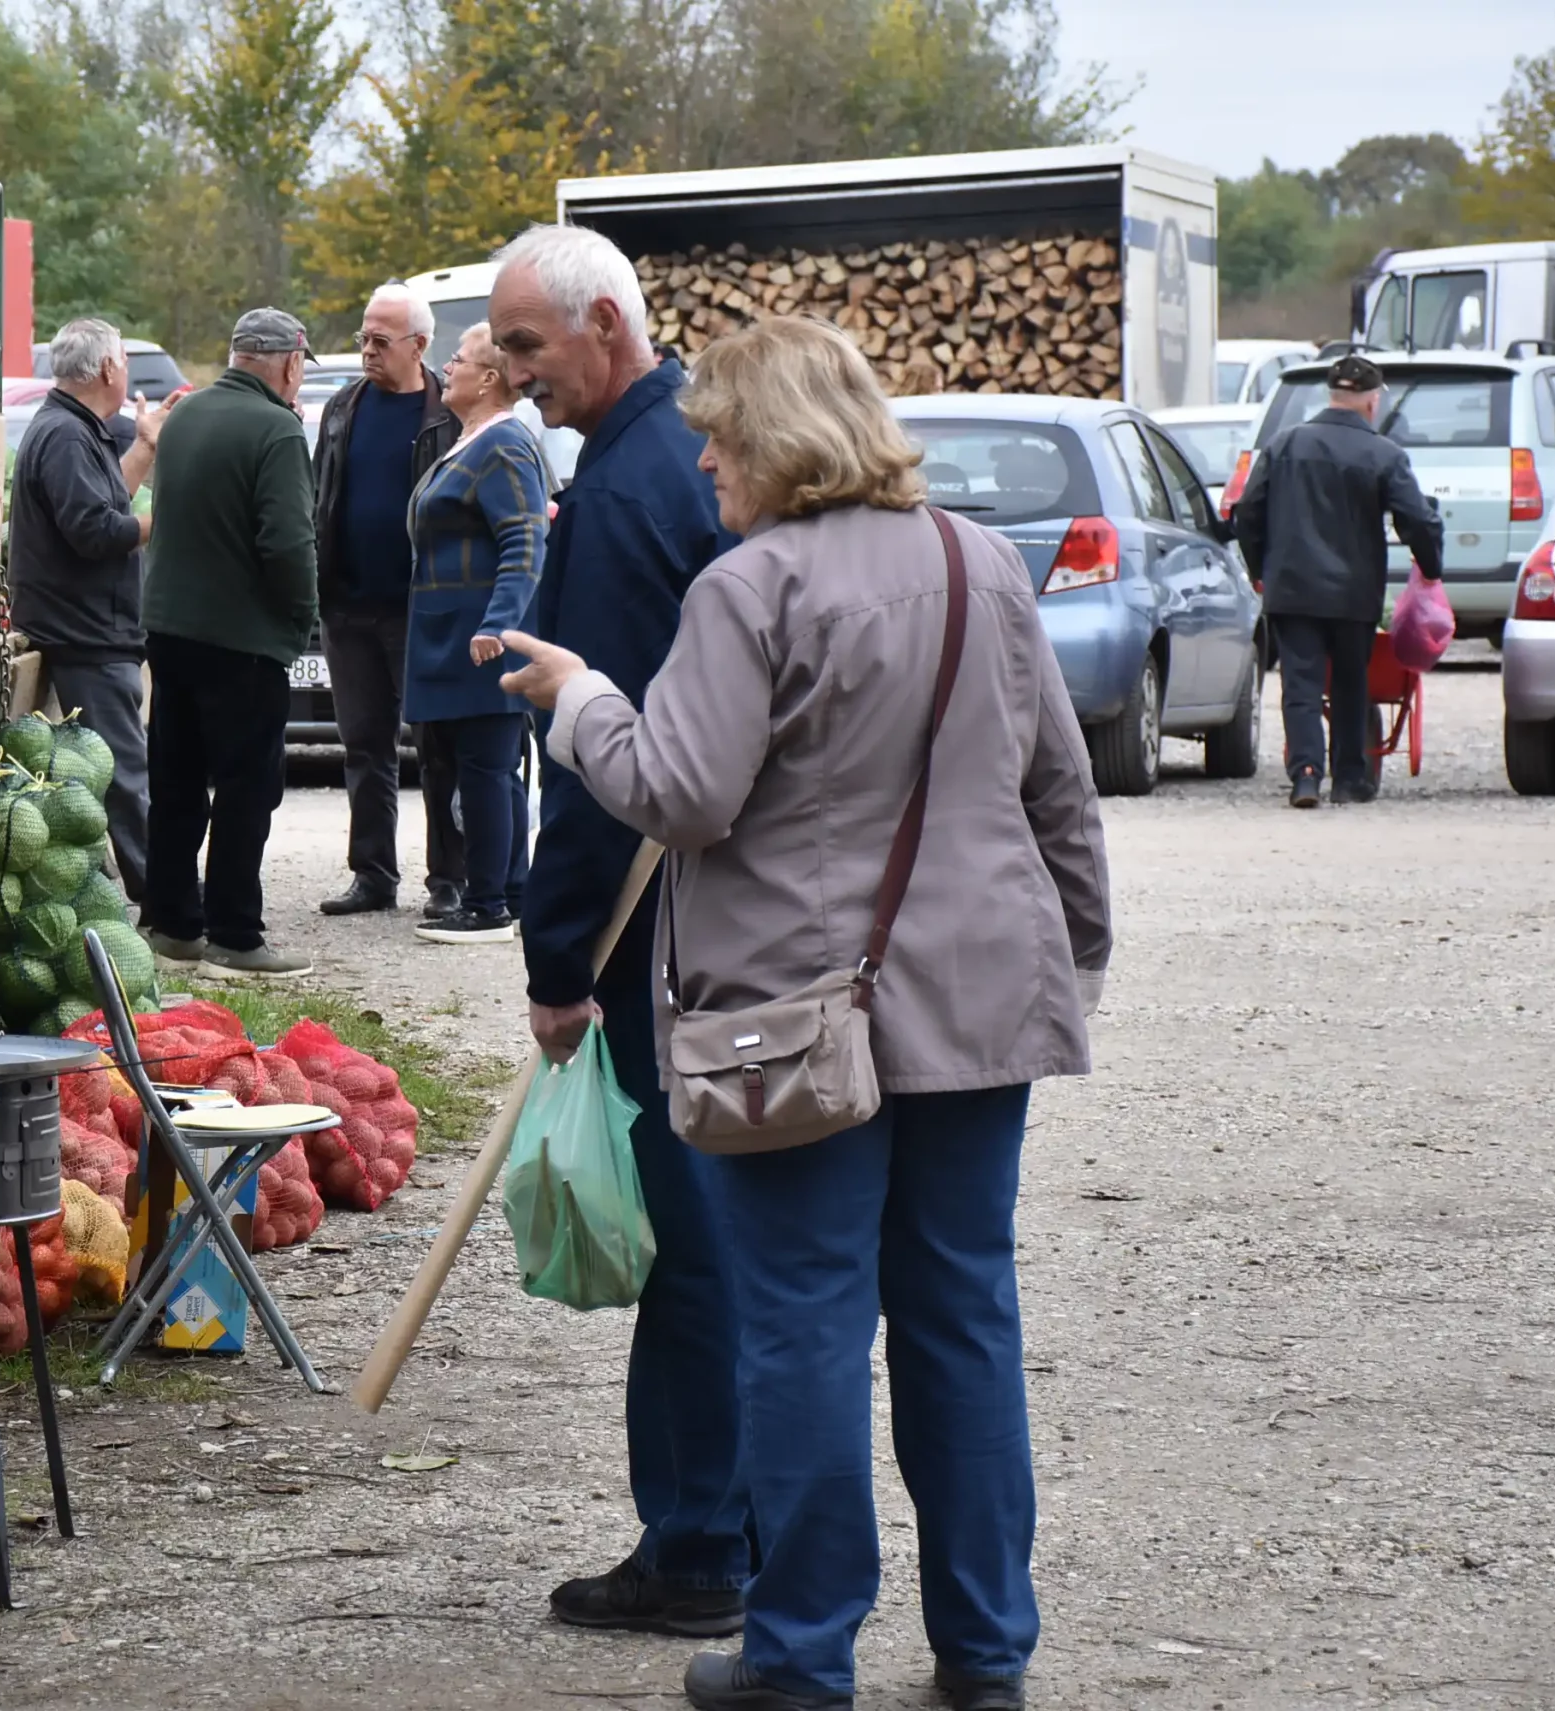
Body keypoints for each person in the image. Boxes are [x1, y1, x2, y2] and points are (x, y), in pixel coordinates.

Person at [500, 316, 1113, 1711]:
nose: (704, 460)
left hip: (790, 1017)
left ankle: (799, 1653)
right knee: (963, 1319)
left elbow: (680, 791)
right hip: (979, 1003)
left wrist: (581, 701)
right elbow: (1057, 786)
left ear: (776, 440)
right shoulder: (978, 562)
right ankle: (986, 1651)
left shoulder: (750, 585)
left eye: (719, 435)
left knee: (805, 1330)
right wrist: (1073, 960)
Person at [486, 223, 753, 1636]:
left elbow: (603, 756)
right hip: (731, 906)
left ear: (605, 324)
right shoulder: (692, 450)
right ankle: (737, 1526)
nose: (512, 373)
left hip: (660, 921)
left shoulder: (631, 489)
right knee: (738, 1235)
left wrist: (557, 957)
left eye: (526, 345)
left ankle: (701, 1543)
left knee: (694, 1239)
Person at [137, 307, 317, 980]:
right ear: (290, 362)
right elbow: (287, 542)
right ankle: (236, 935)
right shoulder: (277, 428)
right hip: (242, 639)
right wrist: (302, 615)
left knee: (176, 782)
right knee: (248, 787)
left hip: (170, 629)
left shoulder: (184, 415)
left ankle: (171, 923)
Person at [310, 281, 465, 920]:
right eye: (363, 338)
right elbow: (320, 495)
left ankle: (449, 879)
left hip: (420, 608)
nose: (367, 350)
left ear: (419, 345)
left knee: (438, 747)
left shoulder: (449, 412)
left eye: (380, 340)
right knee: (363, 746)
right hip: (347, 605)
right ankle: (372, 874)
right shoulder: (342, 407)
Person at [1232, 352, 1443, 808]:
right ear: (1372, 401)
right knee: (1350, 683)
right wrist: (1430, 568)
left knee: (1301, 685)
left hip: (1292, 588)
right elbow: (1417, 519)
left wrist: (1259, 569)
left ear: (1330, 396)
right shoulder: (1384, 454)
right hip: (1353, 592)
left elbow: (1247, 510)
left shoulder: (1284, 444)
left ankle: (1306, 775)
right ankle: (1349, 779)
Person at [6, 317, 165, 909]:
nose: (126, 371)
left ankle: (152, 890)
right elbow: (94, 529)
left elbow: (102, 500)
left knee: (115, 773)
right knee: (125, 775)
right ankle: (164, 900)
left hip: (87, 628)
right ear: (106, 368)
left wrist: (145, 448)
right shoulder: (68, 436)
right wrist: (167, 523)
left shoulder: (72, 428)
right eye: (123, 360)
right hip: (86, 632)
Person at [404, 322, 544, 944]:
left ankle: (488, 905)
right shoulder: (470, 441)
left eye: (456, 359)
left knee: (487, 768)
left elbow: (525, 538)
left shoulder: (504, 444)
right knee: (486, 768)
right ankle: (511, 893)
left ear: (488, 378)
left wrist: (499, 623)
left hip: (480, 637)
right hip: (451, 633)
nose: (445, 368)